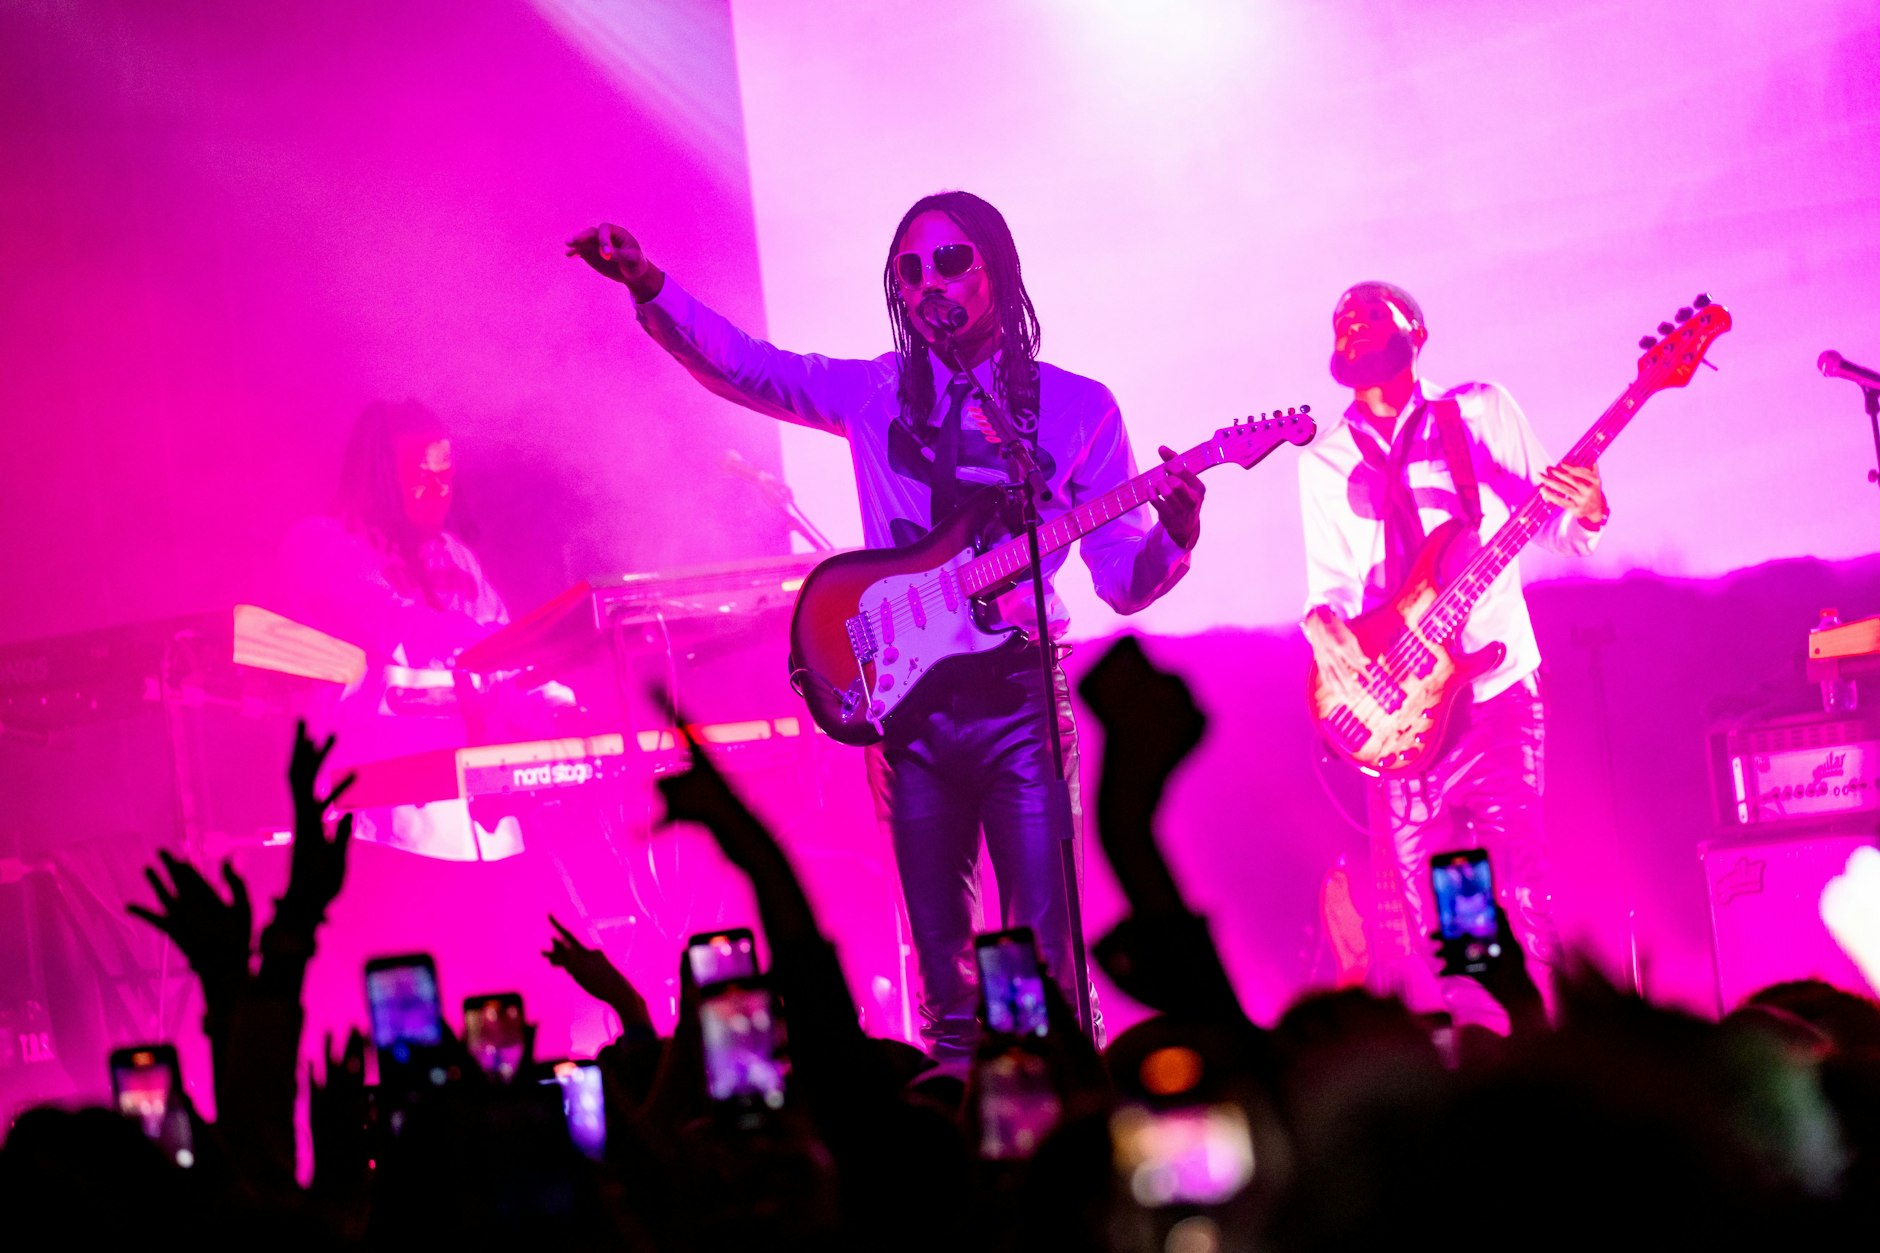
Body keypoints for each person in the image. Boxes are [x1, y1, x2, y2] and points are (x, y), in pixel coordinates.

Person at [567, 191, 1206, 1057]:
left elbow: (1123, 581)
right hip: (908, 713)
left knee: (1045, 963)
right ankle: (957, 1116)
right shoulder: (875, 393)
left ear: (996, 270)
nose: (929, 281)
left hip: (1020, 697)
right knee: (947, 974)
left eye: (951, 260)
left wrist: (1175, 535)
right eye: (910, 270)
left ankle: (1068, 1112)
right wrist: (649, 282)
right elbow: (747, 367)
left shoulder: (1078, 409)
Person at [1297, 281, 1608, 1029]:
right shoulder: (1323, 461)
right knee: (1450, 912)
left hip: (1495, 692)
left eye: (1372, 315)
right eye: (1342, 321)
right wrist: (1320, 623)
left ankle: (1559, 1044)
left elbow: (1557, 523)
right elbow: (1331, 587)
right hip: (1403, 711)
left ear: (1417, 332)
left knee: (1526, 888)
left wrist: (1589, 507)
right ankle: (1488, 1043)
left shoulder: (1480, 411)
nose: (1354, 324)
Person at [276, 399, 527, 860]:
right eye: (421, 476)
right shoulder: (324, 543)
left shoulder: (455, 555)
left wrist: (562, 703)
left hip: (484, 828)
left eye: (446, 475)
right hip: (383, 823)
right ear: (377, 476)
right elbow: (390, 625)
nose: (439, 490)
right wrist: (479, 642)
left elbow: (512, 658)